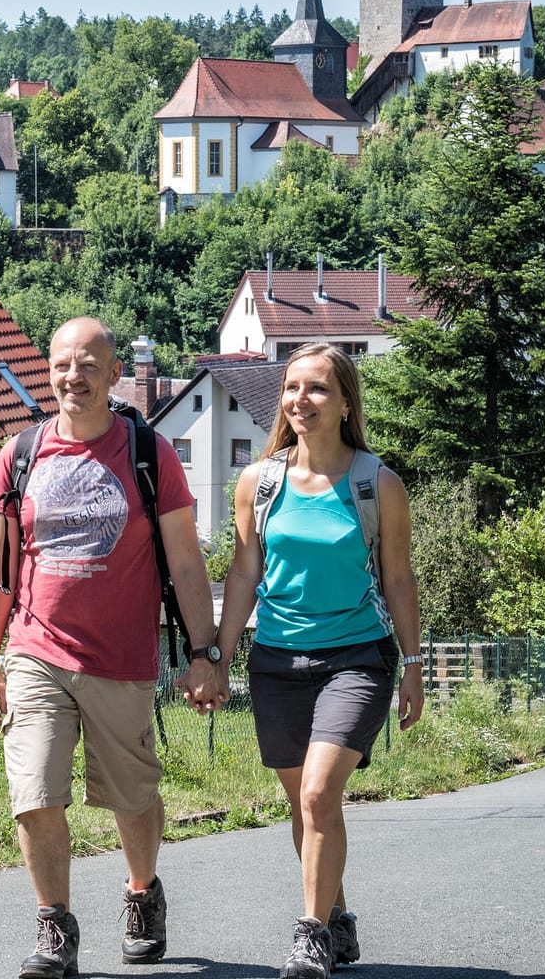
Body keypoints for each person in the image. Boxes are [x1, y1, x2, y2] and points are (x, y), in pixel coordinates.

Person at [0, 317, 226, 979]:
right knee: (34, 791)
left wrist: (205, 653)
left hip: (121, 660)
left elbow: (186, 562)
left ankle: (142, 891)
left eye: (89, 364)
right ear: (48, 372)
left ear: (115, 375)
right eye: (62, 363)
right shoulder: (20, 455)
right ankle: (54, 926)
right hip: (35, 652)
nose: (73, 375)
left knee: (131, 795)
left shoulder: (149, 454)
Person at [207, 343, 424, 979]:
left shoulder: (376, 484)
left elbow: (399, 579)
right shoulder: (260, 482)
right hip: (275, 660)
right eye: (292, 387)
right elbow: (243, 572)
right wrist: (218, 657)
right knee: (304, 806)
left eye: (318, 389)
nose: (301, 399)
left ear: (346, 403)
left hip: (356, 659)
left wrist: (413, 663)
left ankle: (310, 935)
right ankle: (338, 917)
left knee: (319, 793)